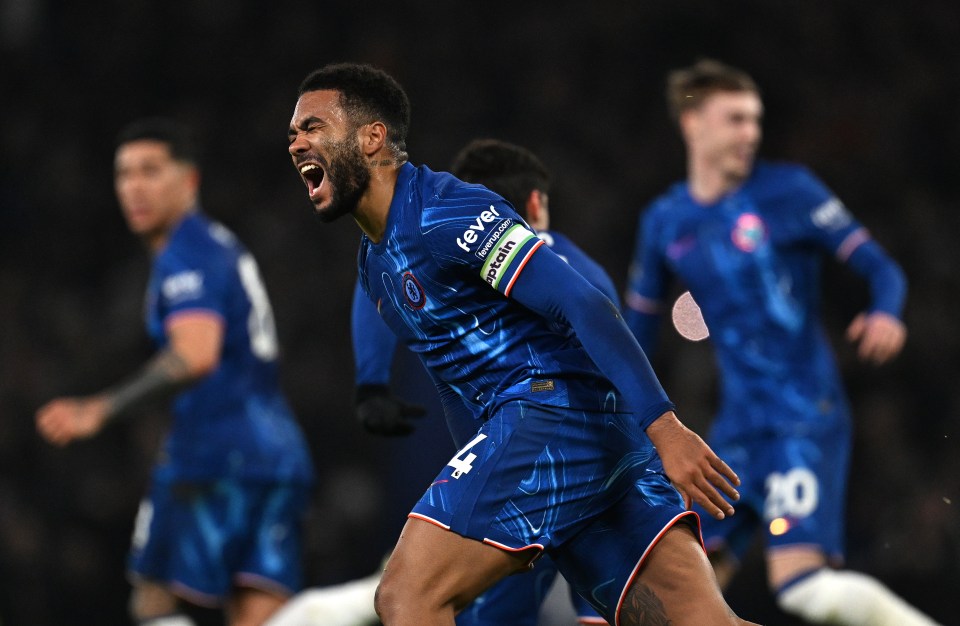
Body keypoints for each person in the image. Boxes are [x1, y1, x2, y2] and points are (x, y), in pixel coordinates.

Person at [287, 62, 755, 626]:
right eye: (293, 132)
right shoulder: (375, 263)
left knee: (406, 597)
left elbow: (582, 302)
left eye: (311, 127)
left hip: (548, 414)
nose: (295, 143)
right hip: (586, 441)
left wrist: (666, 427)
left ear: (372, 137)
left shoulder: (445, 210)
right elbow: (455, 386)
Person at [623, 59, 938, 625]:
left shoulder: (790, 191)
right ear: (692, 123)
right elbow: (636, 331)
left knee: (804, 591)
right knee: (683, 599)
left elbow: (881, 269)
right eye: (736, 119)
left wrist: (886, 312)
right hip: (735, 432)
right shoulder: (665, 221)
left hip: (803, 418)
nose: (751, 133)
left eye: (756, 120)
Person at [35, 118, 315, 626]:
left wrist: (101, 408)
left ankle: (372, 598)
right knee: (259, 616)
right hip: (274, 454)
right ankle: (368, 601)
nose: (134, 187)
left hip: (215, 455)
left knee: (154, 599)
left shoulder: (187, 253)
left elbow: (195, 353)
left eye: (150, 171)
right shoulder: (216, 244)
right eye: (124, 174)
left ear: (189, 182)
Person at [351, 138, 617, 625]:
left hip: (511, 463)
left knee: (425, 598)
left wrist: (371, 382)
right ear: (536, 202)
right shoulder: (585, 273)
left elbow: (378, 275)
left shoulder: (437, 250)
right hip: (598, 462)